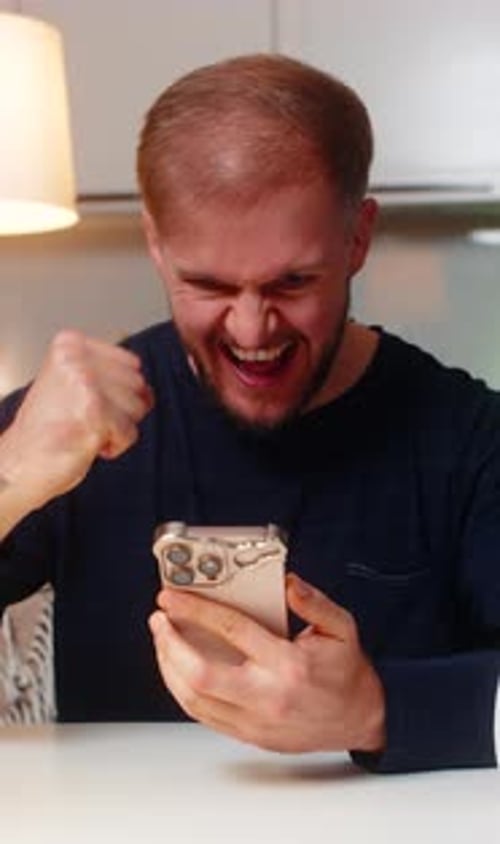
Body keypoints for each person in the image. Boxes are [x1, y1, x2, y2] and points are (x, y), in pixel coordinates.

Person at [0, 54, 498, 773]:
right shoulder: (68, 421)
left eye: (292, 282)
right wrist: (14, 470)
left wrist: (378, 707)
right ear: (156, 244)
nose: (251, 330)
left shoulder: (469, 437)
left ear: (357, 238)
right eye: (206, 284)